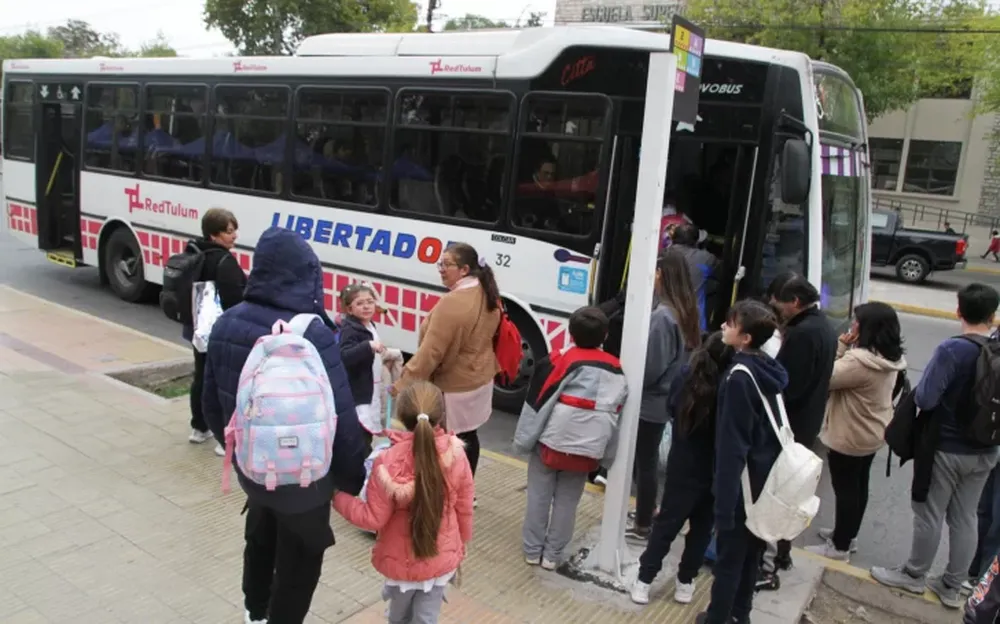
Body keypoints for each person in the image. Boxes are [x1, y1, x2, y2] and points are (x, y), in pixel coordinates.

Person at [201, 226, 367, 624]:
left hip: (254, 468)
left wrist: (241, 453)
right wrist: (353, 479)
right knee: (300, 560)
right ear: (307, 274)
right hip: (306, 480)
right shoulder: (313, 331)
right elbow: (342, 418)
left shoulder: (228, 322)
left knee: (260, 536)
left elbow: (211, 405)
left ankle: (254, 612)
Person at [872, 283, 1000, 609]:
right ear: (993, 314)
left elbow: (927, 398)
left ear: (959, 311)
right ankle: (953, 587)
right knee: (966, 516)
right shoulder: (997, 348)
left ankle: (914, 575)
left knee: (929, 512)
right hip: (987, 449)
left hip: (947, 447)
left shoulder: (952, 350)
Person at [333, 381, 474, 624]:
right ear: (440, 416)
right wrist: (462, 543)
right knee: (427, 618)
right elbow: (464, 506)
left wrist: (336, 497)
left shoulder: (387, 462)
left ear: (402, 416)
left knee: (397, 617)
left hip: (401, 564)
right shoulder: (457, 454)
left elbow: (372, 518)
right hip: (440, 559)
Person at [513, 306, 627, 569]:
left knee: (539, 496)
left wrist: (524, 441)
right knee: (568, 501)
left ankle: (532, 551)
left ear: (570, 333)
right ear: (605, 336)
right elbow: (615, 414)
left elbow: (538, 404)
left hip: (551, 443)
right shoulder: (617, 369)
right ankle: (553, 556)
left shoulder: (558, 360)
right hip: (588, 449)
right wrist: (606, 456)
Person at [697, 300, 786, 624]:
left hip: (741, 486)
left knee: (729, 560)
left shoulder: (738, 378)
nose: (723, 326)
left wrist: (722, 505)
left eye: (730, 323)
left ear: (746, 337)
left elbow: (732, 446)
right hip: (763, 482)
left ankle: (717, 618)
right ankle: (740, 615)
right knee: (752, 556)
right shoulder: (767, 368)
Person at [632, 331, 733, 606]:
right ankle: (685, 582)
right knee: (702, 530)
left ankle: (644, 580)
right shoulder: (730, 385)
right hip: (716, 469)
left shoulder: (686, 376)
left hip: (683, 465)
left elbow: (671, 406)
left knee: (666, 525)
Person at [391, 242, 501, 482]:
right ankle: (467, 489)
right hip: (480, 380)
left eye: (446, 264)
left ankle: (451, 490)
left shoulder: (453, 302)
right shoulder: (486, 290)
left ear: (464, 270)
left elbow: (431, 352)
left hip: (455, 387)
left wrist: (402, 383)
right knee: (469, 437)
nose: (440, 269)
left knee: (450, 442)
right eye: (440, 264)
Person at [806, 302, 907, 561]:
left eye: (856, 322)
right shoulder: (889, 356)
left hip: (850, 435)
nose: (852, 326)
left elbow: (825, 377)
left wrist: (840, 346)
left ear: (868, 328)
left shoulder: (859, 362)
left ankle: (839, 547)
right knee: (859, 486)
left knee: (846, 490)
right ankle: (846, 536)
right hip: (873, 431)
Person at [759, 274, 837, 585]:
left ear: (794, 302)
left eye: (777, 301)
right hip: (807, 423)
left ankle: (770, 559)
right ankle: (782, 552)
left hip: (790, 425)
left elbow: (787, 385)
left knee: (777, 492)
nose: (773, 306)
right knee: (791, 492)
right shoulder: (823, 327)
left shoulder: (803, 335)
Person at [627, 248, 703, 541]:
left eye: (656, 272)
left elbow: (650, 367)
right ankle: (648, 512)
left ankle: (643, 521)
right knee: (648, 461)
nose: (653, 278)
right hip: (666, 400)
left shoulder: (662, 317)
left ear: (664, 276)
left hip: (650, 402)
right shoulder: (686, 309)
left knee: (643, 463)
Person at [186, 208, 247, 457]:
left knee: (201, 376)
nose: (234, 236)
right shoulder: (224, 261)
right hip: (220, 331)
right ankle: (225, 439)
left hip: (198, 327)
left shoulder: (195, 253)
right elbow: (236, 300)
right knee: (224, 382)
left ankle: (199, 428)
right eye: (229, 232)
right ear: (214, 234)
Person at [339, 283, 403, 447]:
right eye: (360, 303)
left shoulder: (368, 325)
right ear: (349, 309)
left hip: (371, 388)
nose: (366, 306)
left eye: (370, 301)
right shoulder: (350, 329)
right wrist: (367, 346)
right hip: (359, 394)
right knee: (360, 437)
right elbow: (345, 356)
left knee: (368, 432)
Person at [671, 223, 721, 332]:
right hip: (693, 327)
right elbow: (723, 277)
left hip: (660, 320)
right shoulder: (706, 259)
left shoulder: (658, 256)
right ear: (696, 242)